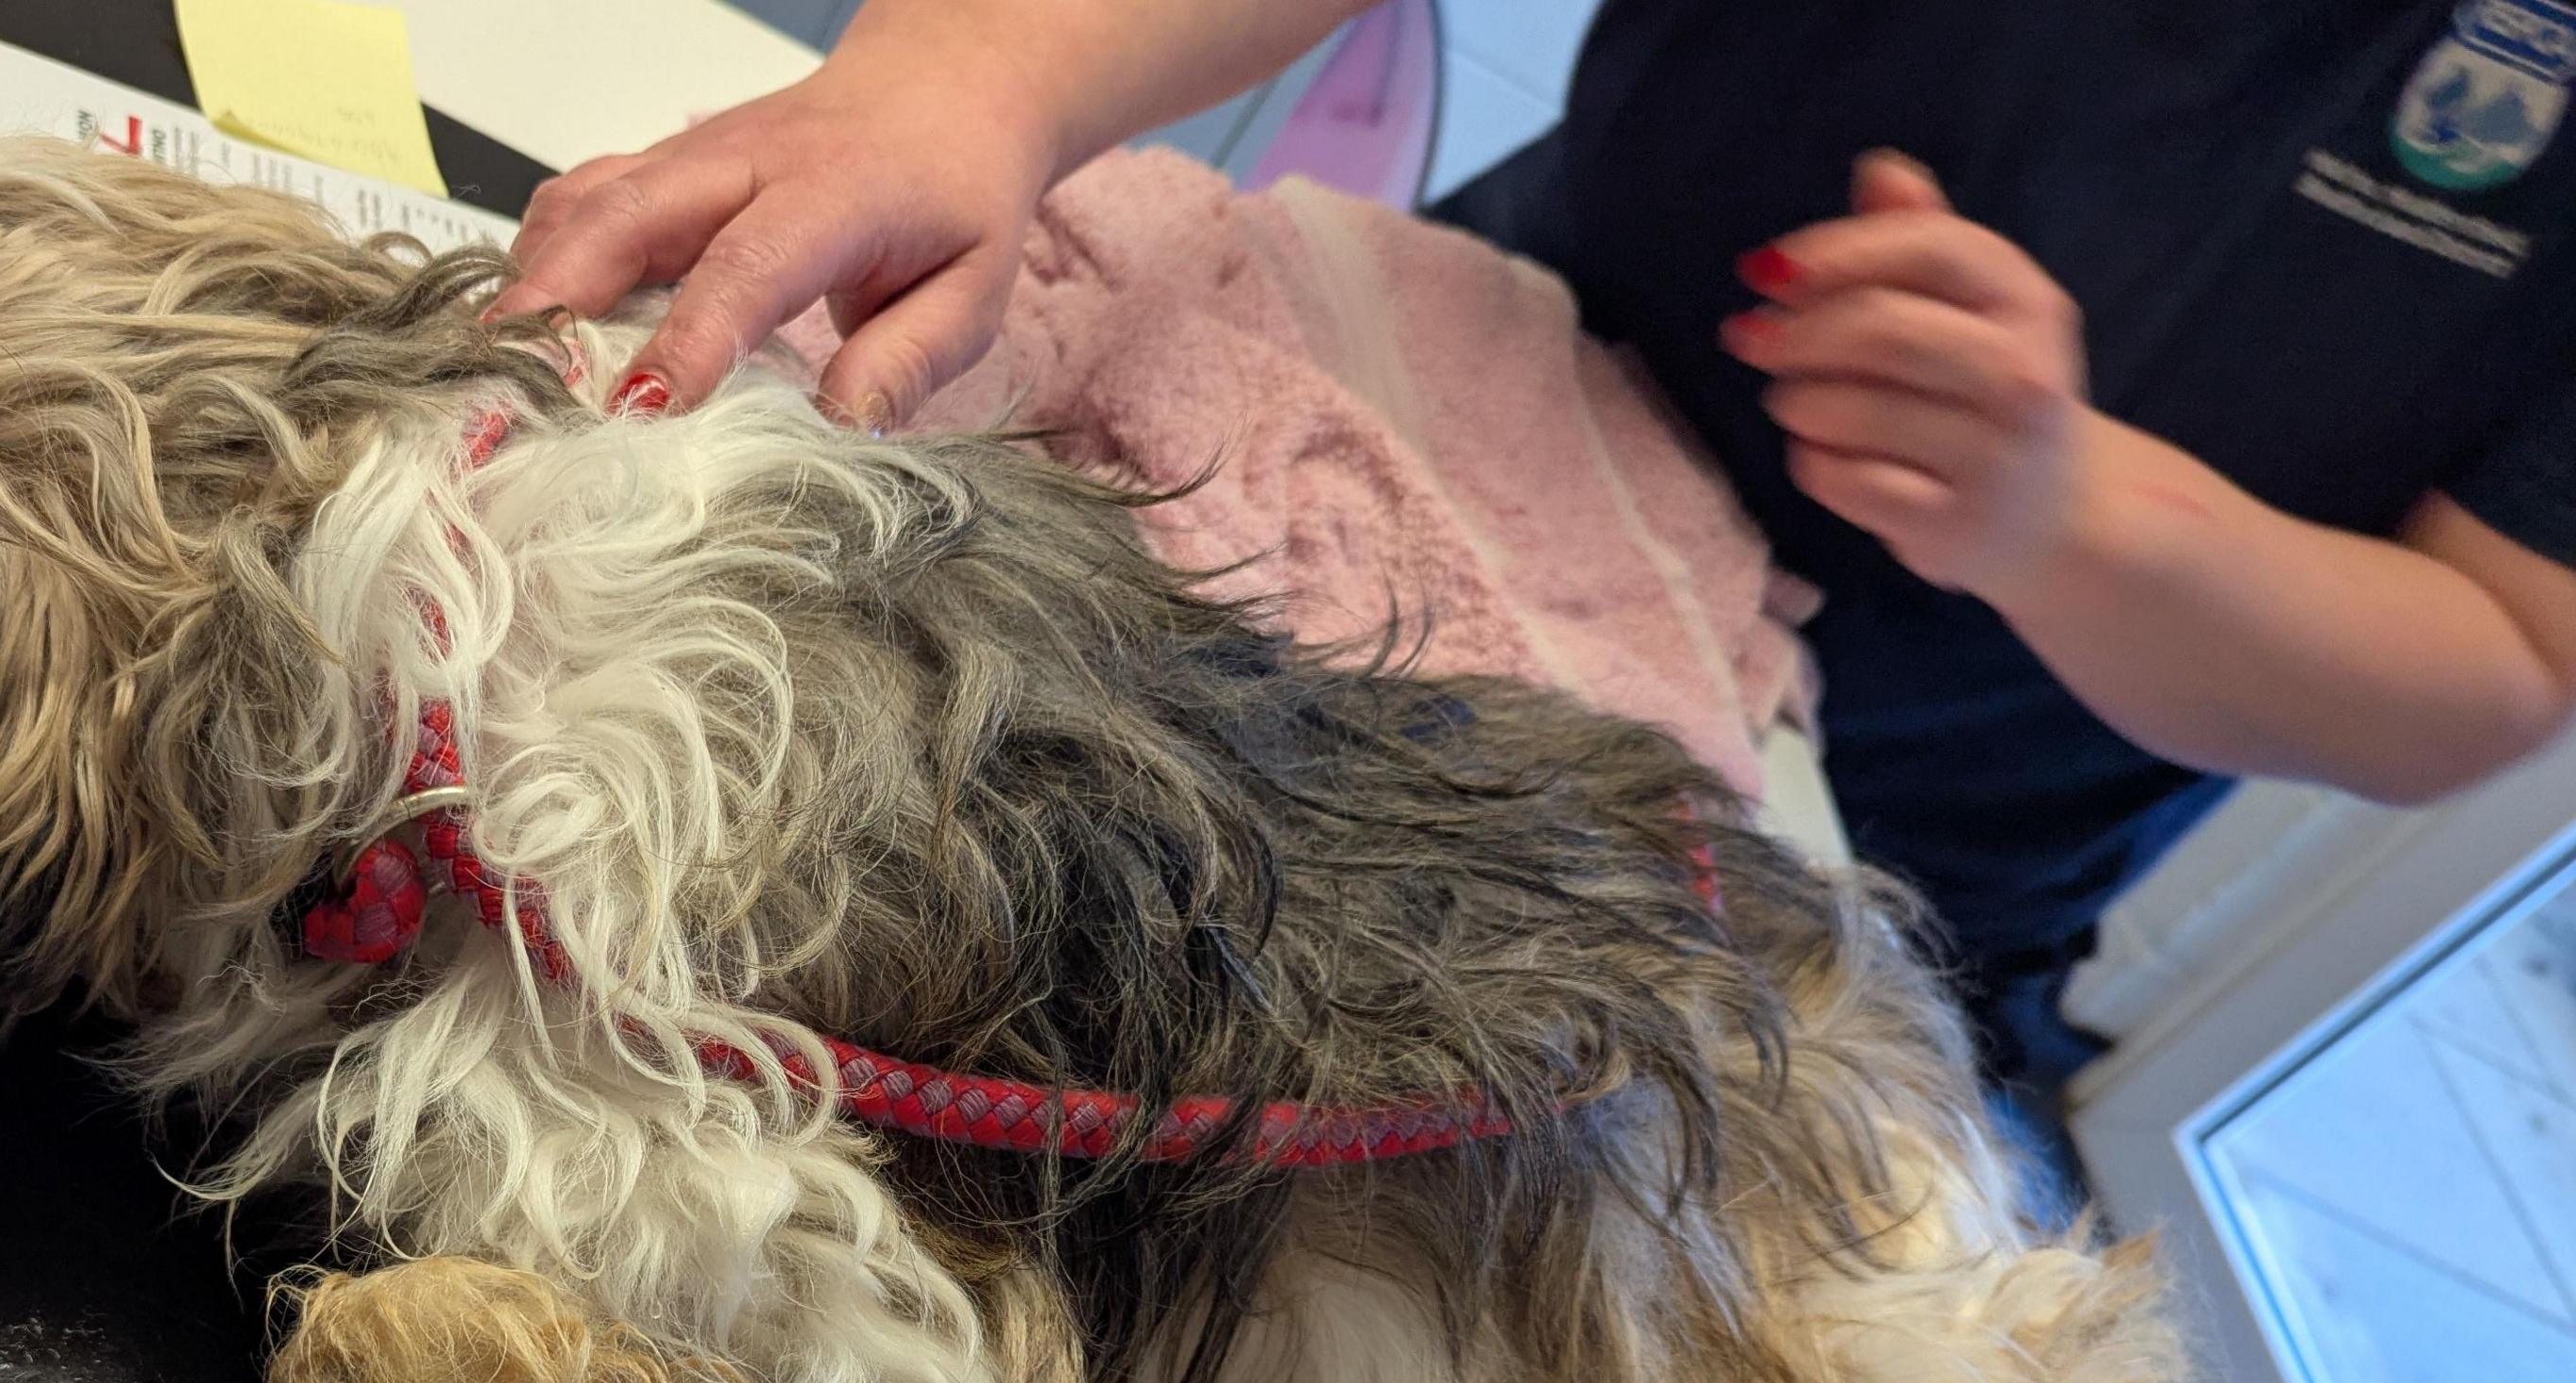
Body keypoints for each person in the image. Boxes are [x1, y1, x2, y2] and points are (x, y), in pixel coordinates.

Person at [493, 0, 2576, 1150]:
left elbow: (2496, 660)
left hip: (1895, 832)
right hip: (1483, 376)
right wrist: (973, 75)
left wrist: (2075, 519)